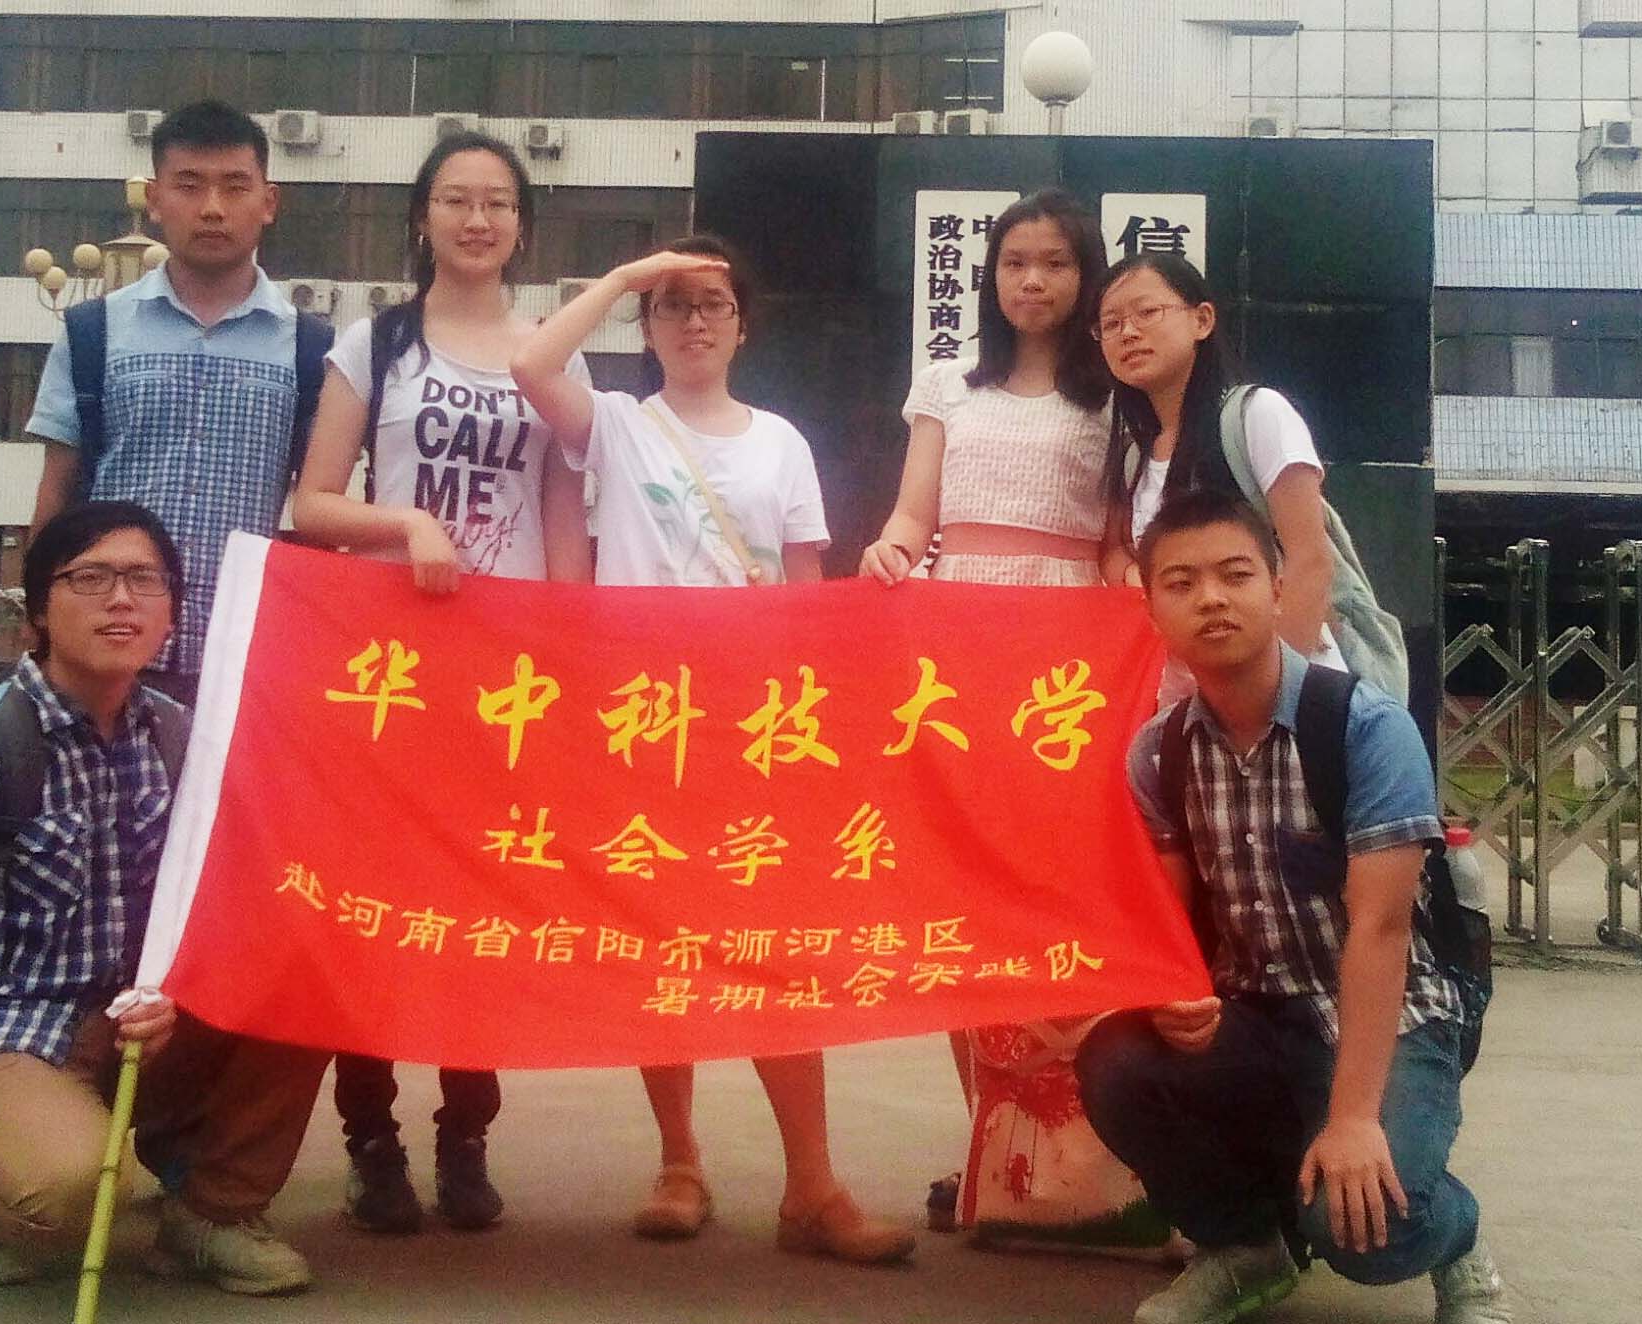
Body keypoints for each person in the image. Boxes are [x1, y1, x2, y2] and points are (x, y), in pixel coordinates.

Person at [510, 234, 914, 1265]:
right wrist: (622, 277)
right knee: (664, 944)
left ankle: (812, 1186)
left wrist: (808, 728)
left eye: (714, 304)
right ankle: (680, 1161)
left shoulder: (782, 443)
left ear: (743, 327)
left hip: (754, 731)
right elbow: (531, 364)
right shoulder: (615, 426)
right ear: (647, 326)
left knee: (778, 948)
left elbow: (808, 597)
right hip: (646, 725)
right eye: (673, 304)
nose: (694, 320)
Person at [0, 502, 330, 1295]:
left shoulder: (180, 737)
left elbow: (233, 898)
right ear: (38, 613)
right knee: (75, 1196)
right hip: (6, 1031)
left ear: (172, 613)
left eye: (145, 580)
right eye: (90, 578)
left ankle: (211, 1214)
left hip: (139, 1025)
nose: (121, 599)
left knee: (307, 977)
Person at [1074, 491, 1511, 1324]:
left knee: (1366, 1233)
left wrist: (1353, 1120)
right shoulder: (1159, 753)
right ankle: (1243, 1249)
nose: (1211, 598)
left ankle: (1457, 1236)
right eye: (1181, 583)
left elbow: (1381, 928)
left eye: (1235, 575)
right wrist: (1172, 998)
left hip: (1392, 1017)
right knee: (1116, 1063)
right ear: (1151, 609)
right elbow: (1171, 924)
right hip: (1255, 1015)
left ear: (1277, 589)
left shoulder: (1364, 729)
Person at [289, 131, 591, 1235]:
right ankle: (371, 1139)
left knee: (484, 907)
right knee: (373, 909)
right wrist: (409, 521)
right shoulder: (376, 344)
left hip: (506, 678)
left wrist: (570, 646)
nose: (477, 219)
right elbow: (312, 504)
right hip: (394, 673)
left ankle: (467, 1133)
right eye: (457, 200)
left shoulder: (551, 355)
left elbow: (566, 514)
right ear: (422, 217)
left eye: (497, 203)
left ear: (521, 224)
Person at [857, 189, 1154, 1246]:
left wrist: (1138, 604)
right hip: (960, 651)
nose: (1033, 280)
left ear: (1087, 275)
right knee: (967, 900)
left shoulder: (1115, 395)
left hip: (1065, 666)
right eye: (1016, 261)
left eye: (1056, 263)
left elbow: (1116, 543)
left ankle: (1079, 1149)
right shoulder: (949, 383)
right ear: (990, 275)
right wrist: (891, 551)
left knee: (1058, 894)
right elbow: (914, 513)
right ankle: (992, 1140)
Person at [27, 100, 329, 706]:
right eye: (189, 186)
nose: (212, 207)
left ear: (268, 202)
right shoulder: (92, 332)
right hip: (103, 653)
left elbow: (319, 512)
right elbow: (56, 492)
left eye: (235, 187)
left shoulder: (310, 348)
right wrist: (38, 627)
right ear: (155, 199)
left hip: (240, 659)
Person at [1093, 254, 1338, 684]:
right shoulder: (1134, 455)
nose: (1128, 332)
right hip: (1188, 694)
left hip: (1286, 689)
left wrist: (1276, 694)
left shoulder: (1257, 415)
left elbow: (1310, 560)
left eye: (1147, 312)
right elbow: (1116, 554)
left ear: (1202, 320)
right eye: (1111, 324)